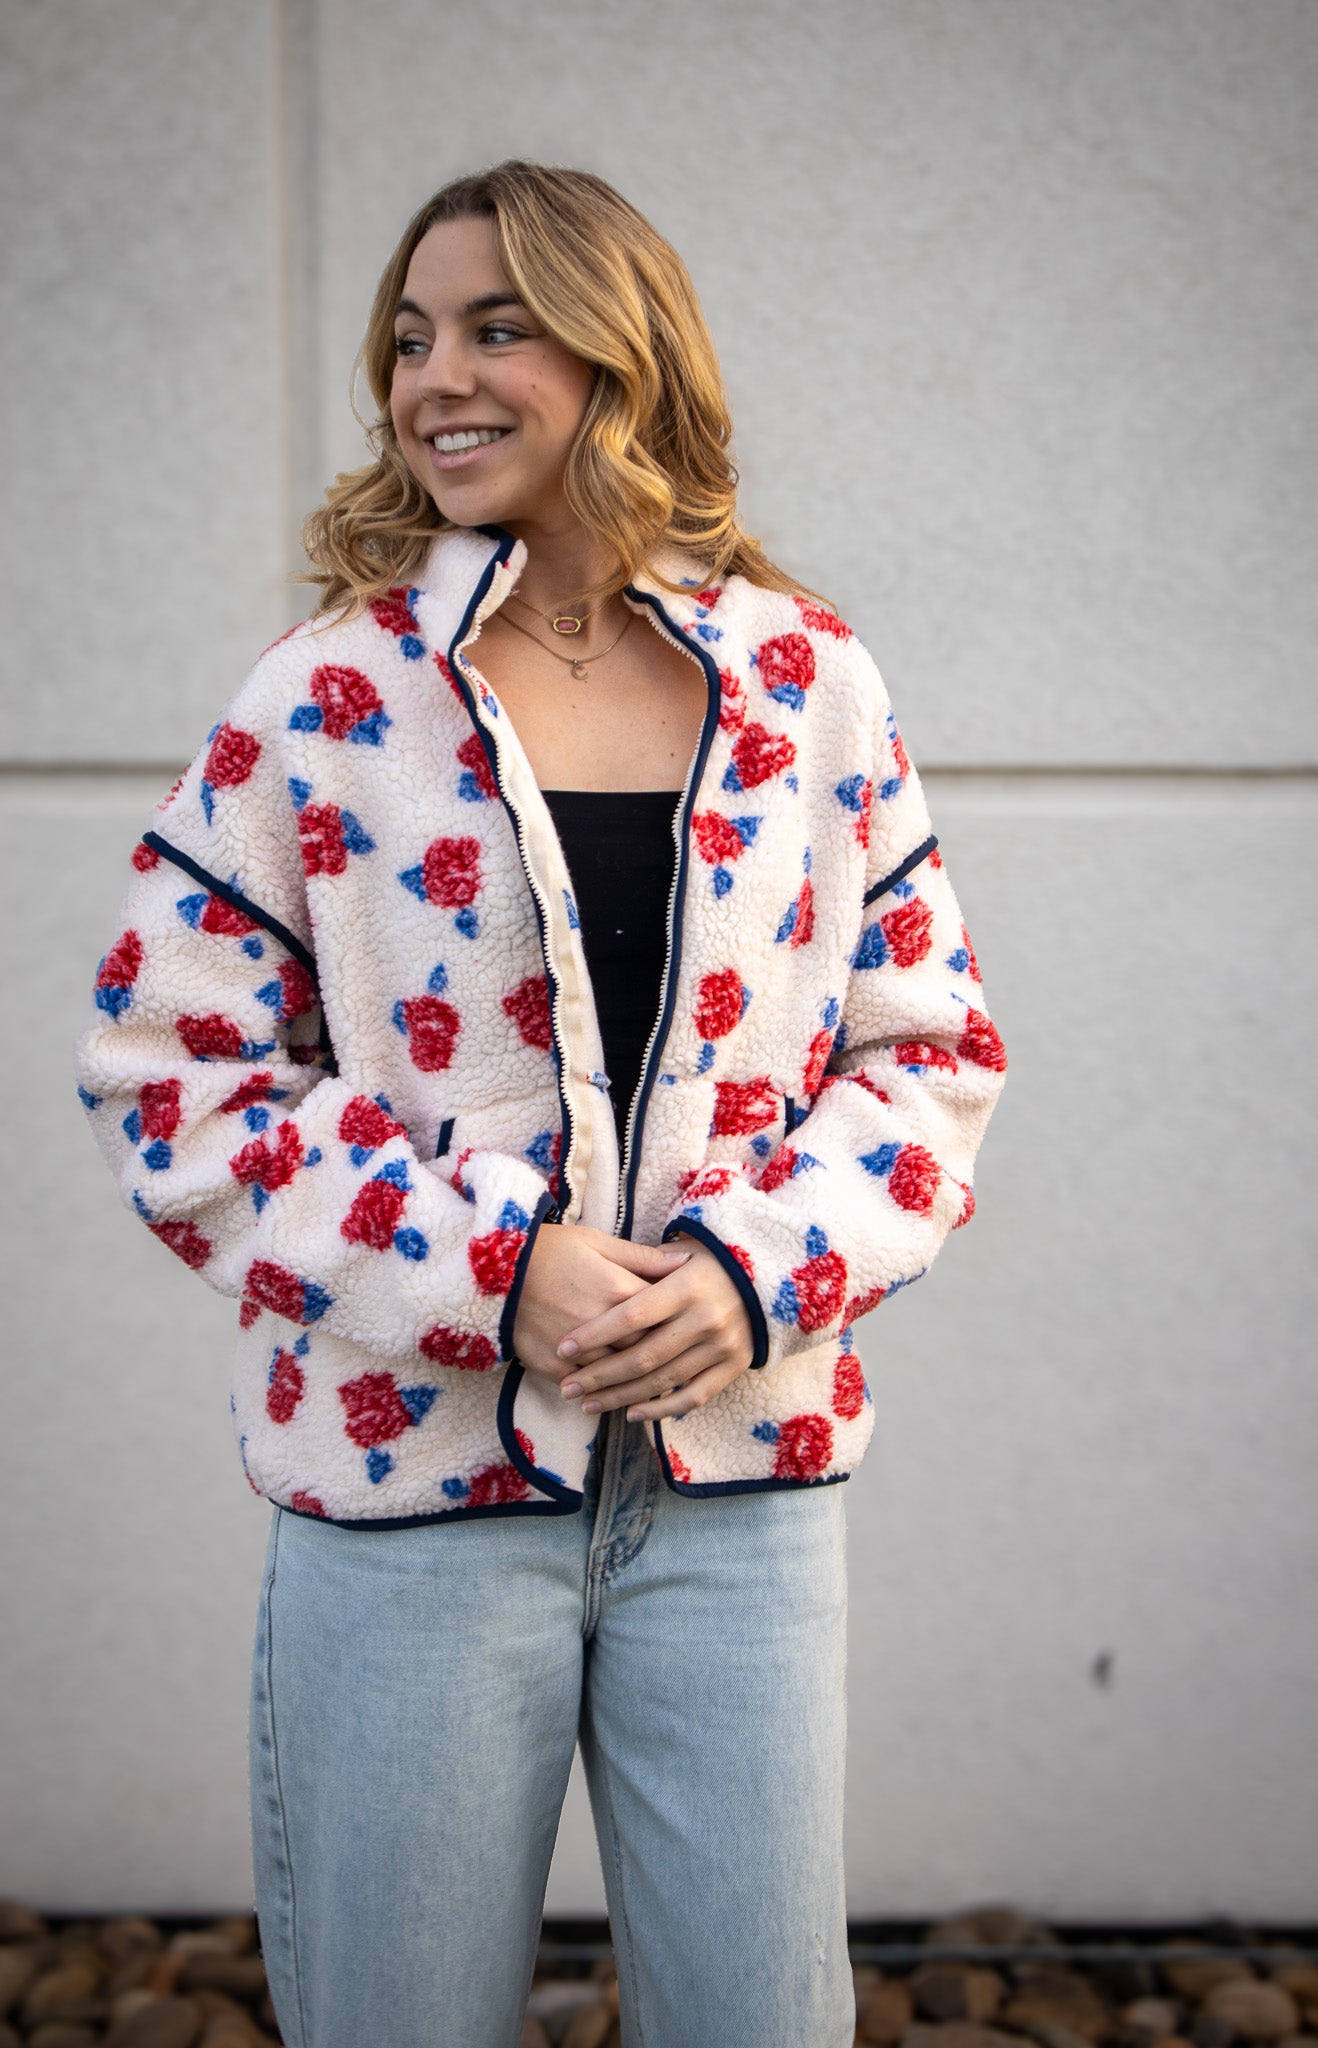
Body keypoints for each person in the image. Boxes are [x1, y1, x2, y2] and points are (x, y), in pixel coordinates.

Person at [76, 160, 1007, 2048]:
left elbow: (928, 1054)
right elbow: (170, 1073)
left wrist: (748, 1275)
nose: (437, 375)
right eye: (411, 336)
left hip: (741, 1488)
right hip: (410, 1491)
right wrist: (493, 1269)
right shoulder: (324, 703)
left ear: (620, 353)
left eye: (497, 325)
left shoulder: (807, 685)